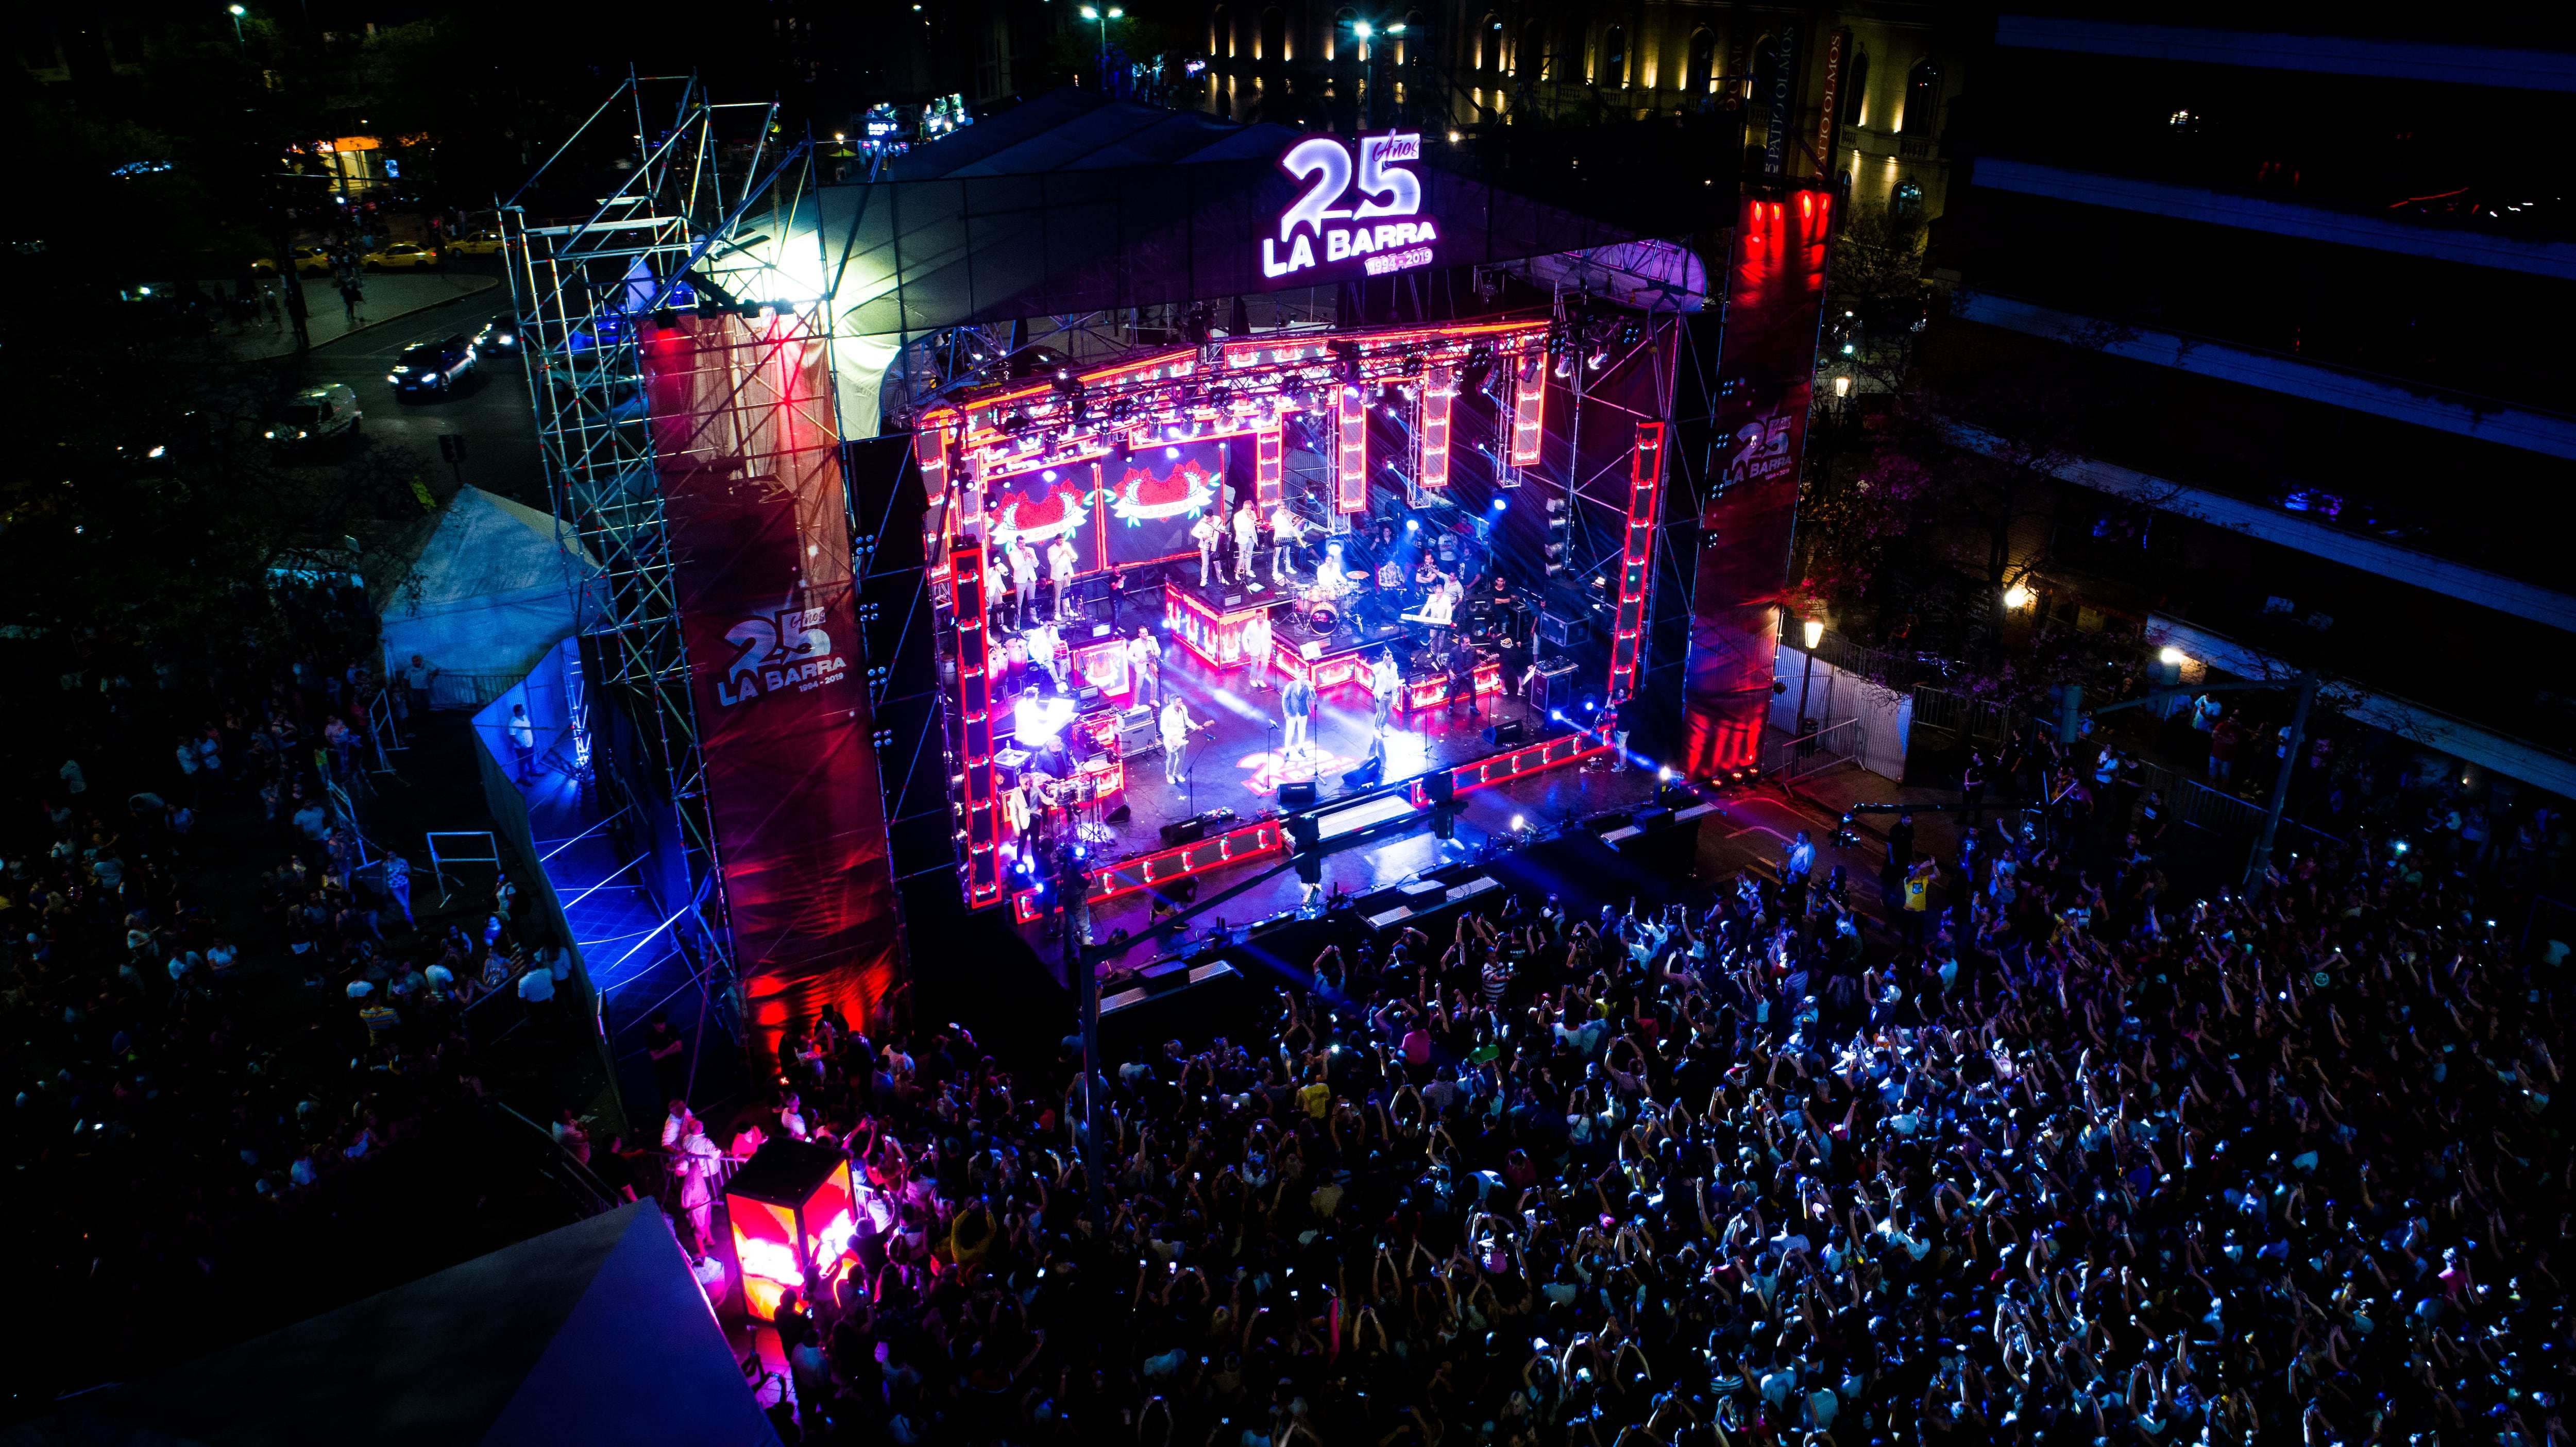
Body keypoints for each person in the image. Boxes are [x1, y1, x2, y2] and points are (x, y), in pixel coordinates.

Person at [1158, 695, 1207, 786]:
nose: (1181, 703)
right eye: (1179, 702)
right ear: (1173, 703)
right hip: (1171, 738)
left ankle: (1177, 774)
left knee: (1181, 757)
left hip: (1182, 736)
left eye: (1181, 701)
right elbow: (1163, 729)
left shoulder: (1183, 709)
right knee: (1171, 759)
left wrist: (1196, 727)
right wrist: (1172, 739)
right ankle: (1169, 775)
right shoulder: (1167, 713)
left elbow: (1187, 721)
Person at [1280, 671, 1317, 759]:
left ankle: (1301, 748)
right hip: (1292, 711)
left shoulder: (1308, 686)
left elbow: (1314, 698)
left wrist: (1311, 690)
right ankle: (1287, 751)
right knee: (1290, 732)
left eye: (1306, 675)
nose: (1305, 677)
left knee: (1302, 730)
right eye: (1303, 675)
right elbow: (1285, 698)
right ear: (1298, 677)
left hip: (1303, 712)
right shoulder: (1291, 685)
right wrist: (1285, 711)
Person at [1268, 499, 1306, 583]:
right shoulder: (1275, 516)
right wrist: (1289, 529)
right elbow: (1279, 528)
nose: (1283, 510)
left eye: (1284, 508)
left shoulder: (1287, 514)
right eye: (1282, 508)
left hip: (1288, 537)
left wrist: (1295, 522)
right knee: (1277, 556)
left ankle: (1288, 568)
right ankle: (1275, 571)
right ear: (1278, 508)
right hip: (1279, 537)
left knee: (1287, 554)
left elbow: (1292, 523)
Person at [1006, 535, 1039, 626]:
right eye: (1021, 543)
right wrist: (1024, 558)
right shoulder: (1012, 553)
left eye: (1024, 543)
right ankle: (1017, 622)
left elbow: (1036, 565)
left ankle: (1033, 617)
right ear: (1017, 543)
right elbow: (1016, 567)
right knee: (1019, 603)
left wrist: (1033, 559)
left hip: (1031, 579)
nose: (1023, 545)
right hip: (1020, 580)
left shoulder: (1030, 550)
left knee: (1032, 600)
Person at [1046, 534, 1079, 622]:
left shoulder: (1067, 545)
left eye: (1063, 540)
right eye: (1060, 541)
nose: (1062, 542)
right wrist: (1061, 553)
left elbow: (1075, 556)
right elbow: (1052, 562)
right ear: (1056, 540)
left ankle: (1067, 610)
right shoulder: (1051, 549)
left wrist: (1073, 557)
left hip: (1067, 574)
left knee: (1067, 593)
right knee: (1058, 595)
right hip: (1057, 576)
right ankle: (1057, 612)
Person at [1241, 606, 1274, 691]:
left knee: (1265, 665)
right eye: (1258, 616)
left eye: (1261, 616)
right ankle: (1252, 679)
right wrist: (1247, 648)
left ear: (1263, 615)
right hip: (1254, 648)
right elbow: (1244, 637)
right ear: (1256, 616)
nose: (1260, 618)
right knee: (1255, 665)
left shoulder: (1268, 624)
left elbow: (1269, 637)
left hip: (1264, 648)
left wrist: (1269, 647)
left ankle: (1260, 679)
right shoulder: (1251, 625)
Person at [1126, 626, 1160, 708]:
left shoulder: (1153, 640)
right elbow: (1128, 656)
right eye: (1143, 633)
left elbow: (1158, 649)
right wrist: (1138, 660)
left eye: (1146, 633)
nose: (1145, 635)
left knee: (1155, 683)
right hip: (1142, 666)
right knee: (1138, 685)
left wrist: (1157, 653)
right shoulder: (1135, 643)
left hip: (1152, 664)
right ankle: (1135, 702)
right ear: (1139, 635)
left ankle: (1153, 699)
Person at [506, 704, 538, 784]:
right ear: (517, 711)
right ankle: (524, 779)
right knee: (523, 763)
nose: (524, 711)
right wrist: (521, 744)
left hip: (530, 743)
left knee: (531, 758)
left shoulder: (525, 717)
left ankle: (533, 772)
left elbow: (529, 729)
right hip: (522, 747)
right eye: (522, 710)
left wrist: (533, 737)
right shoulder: (513, 723)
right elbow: (512, 736)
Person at [1231, 497, 1260, 583]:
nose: (1248, 510)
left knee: (1249, 555)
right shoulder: (1238, 515)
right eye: (1247, 509)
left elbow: (1256, 524)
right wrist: (1249, 523)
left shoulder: (1253, 514)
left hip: (1252, 537)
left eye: (1250, 508)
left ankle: (1248, 570)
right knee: (1242, 556)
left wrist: (1254, 521)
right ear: (1243, 507)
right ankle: (1238, 572)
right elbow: (1238, 528)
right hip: (1243, 538)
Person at [1191, 508, 1223, 587]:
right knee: (1205, 563)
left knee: (1217, 562)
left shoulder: (1218, 519)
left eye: (1208, 518)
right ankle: (1204, 580)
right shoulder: (1202, 523)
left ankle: (1220, 578)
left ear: (1212, 517)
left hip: (1215, 545)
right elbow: (1194, 532)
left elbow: (1221, 529)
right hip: (1205, 545)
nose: (1206, 519)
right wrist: (1202, 536)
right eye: (1205, 518)